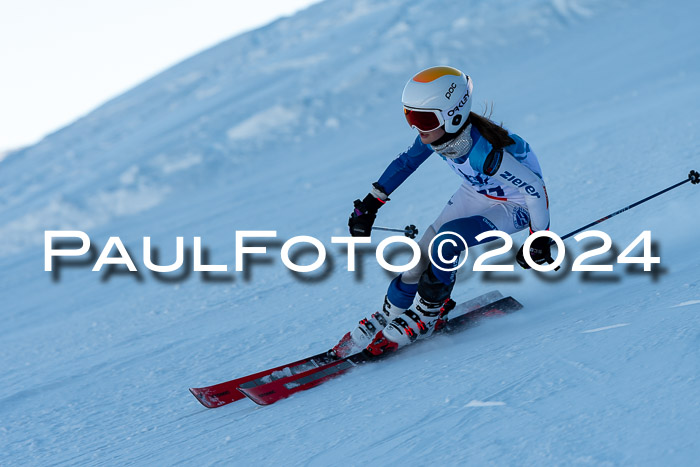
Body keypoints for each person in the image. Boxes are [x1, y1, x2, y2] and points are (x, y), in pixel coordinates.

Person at [332, 65, 554, 358]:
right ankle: (390, 314)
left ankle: (427, 315)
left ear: (454, 115)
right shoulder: (440, 134)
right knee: (417, 261)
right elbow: (405, 163)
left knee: (447, 241)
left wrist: (539, 238)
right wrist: (371, 204)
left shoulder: (483, 153)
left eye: (423, 118)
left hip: (516, 205)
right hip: (477, 192)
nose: (417, 127)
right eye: (410, 116)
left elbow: (534, 188)